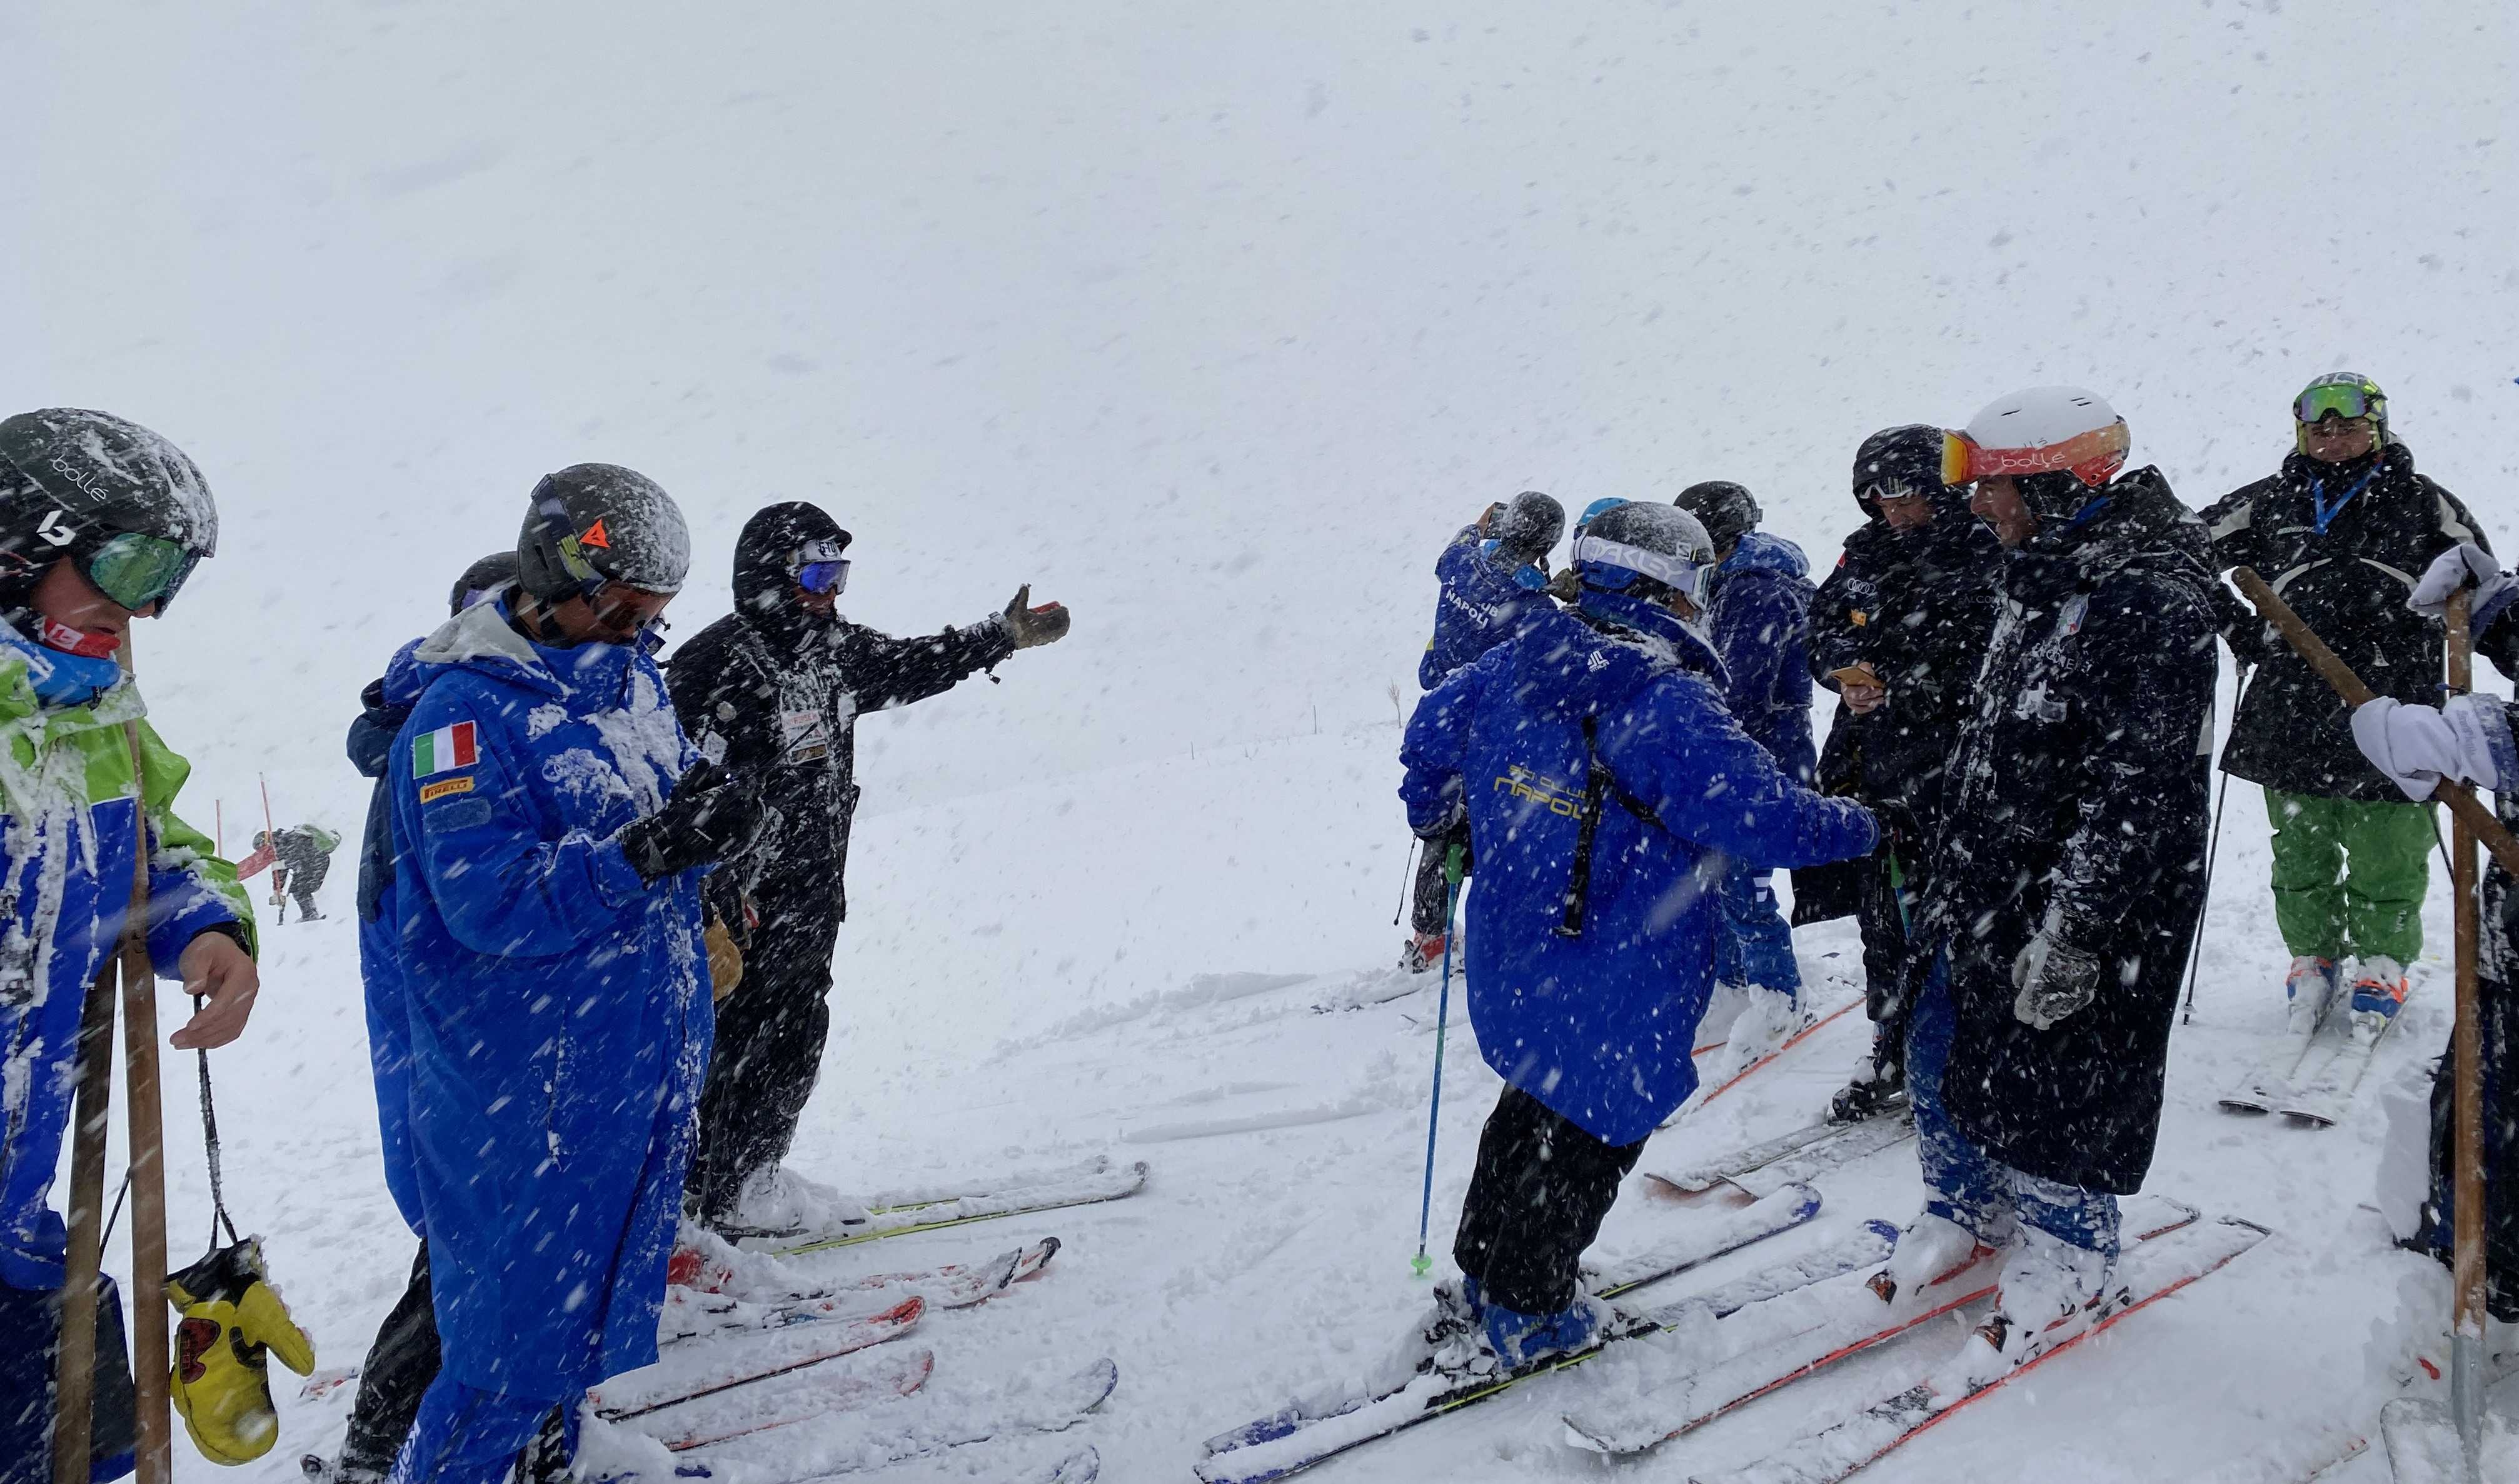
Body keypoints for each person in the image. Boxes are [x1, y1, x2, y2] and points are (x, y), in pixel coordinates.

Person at [1399, 501, 1877, 1371]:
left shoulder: (1516, 660)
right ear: (1674, 586)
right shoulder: (1661, 697)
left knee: (1533, 1105)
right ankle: (1530, 1309)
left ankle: (1485, 1272)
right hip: (1620, 961)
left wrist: (1445, 813)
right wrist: (1867, 825)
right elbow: (1759, 816)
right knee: (1590, 1132)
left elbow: (1429, 732)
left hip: (1519, 953)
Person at [382, 465, 758, 1482]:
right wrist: (640, 853)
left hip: (628, 1069)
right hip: (527, 1098)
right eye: (620, 603)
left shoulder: (631, 684)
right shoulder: (461, 718)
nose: (638, 627)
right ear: (554, 572)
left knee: (578, 1327)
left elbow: (671, 800)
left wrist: (710, 825)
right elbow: (486, 897)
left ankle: (547, 1457)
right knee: (507, 1353)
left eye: (654, 611)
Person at [1878, 388, 2217, 1373]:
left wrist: (2075, 927)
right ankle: (1969, 1210)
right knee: (1943, 1039)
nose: (1977, 510)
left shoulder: (2149, 598)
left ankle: (2075, 1254)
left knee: (2054, 1079)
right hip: (1989, 877)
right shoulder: (2033, 572)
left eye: (1994, 492)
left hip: (2089, 900)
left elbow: (2139, 789)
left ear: (2061, 486)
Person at [667, 501, 1068, 1238]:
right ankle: (687, 1206)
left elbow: (914, 663)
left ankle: (749, 1184)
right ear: (770, 577)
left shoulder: (835, 652)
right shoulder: (711, 667)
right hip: (730, 907)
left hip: (810, 894)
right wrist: (707, 903)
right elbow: (674, 791)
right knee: (711, 1051)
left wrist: (1000, 638)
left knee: (792, 1032)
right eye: (818, 573)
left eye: (838, 573)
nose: (832, 591)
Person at [0, 408, 262, 1482]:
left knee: (77, 1445)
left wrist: (206, 931)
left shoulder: (97, 717)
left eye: (169, 575)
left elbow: (150, 850)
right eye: (129, 561)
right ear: (21, 545)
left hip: (14, 1208)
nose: (143, 603)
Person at [303, 553, 515, 1484]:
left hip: (493, 1034)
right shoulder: (446, 732)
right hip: (462, 1038)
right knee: (469, 1233)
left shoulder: (478, 719)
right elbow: (458, 923)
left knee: (487, 1234)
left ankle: (465, 1416)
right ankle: (381, 1444)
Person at [2200, 374, 2488, 1040]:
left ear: (2378, 426)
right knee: (2300, 844)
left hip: (2392, 704)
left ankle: (2382, 962)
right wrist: (2242, 630)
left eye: (2348, 425)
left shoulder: (2422, 504)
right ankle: (2313, 958)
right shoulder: (2271, 500)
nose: (2333, 437)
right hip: (2290, 703)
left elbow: (2483, 587)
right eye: (2318, 427)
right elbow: (2186, 552)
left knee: (2387, 843)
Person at [1801, 428, 1999, 1121]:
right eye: (1875, 496)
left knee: (1959, 914)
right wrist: (1841, 672)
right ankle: (1892, 1037)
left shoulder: (1982, 547)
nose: (1889, 509)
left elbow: (1984, 656)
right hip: (1869, 765)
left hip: (1949, 769)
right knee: (1883, 913)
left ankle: (1960, 1047)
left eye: (1903, 494)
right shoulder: (1865, 551)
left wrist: (1901, 689)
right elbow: (1820, 626)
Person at [2353, 541, 2519, 1321]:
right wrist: (2501, 609)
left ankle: (2498, 1291)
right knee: (2480, 1115)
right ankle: (2472, 1268)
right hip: (2508, 949)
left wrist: (2490, 740)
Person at [1671, 479, 1818, 1076]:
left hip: (1759, 752)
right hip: (1734, 747)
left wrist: (1698, 721)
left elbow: (1740, 684)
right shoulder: (1728, 580)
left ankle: (1780, 997)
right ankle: (1734, 985)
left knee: (1743, 876)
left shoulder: (1756, 589)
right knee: (1717, 872)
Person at [1402, 491, 1564, 973]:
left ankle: (1428, 937)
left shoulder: (1461, 562)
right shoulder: (1536, 609)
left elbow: (1462, 540)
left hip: (1437, 710)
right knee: (1492, 824)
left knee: (1441, 825)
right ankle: (1501, 930)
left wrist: (1485, 526)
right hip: (1489, 730)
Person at [256, 823, 342, 923]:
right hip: (315, 862)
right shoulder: (282, 841)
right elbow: (281, 872)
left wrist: (284, 864)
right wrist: (277, 891)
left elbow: (298, 854)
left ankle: (310, 915)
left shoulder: (284, 841)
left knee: (299, 889)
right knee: (299, 888)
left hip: (314, 861)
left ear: (264, 842)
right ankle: (310, 914)